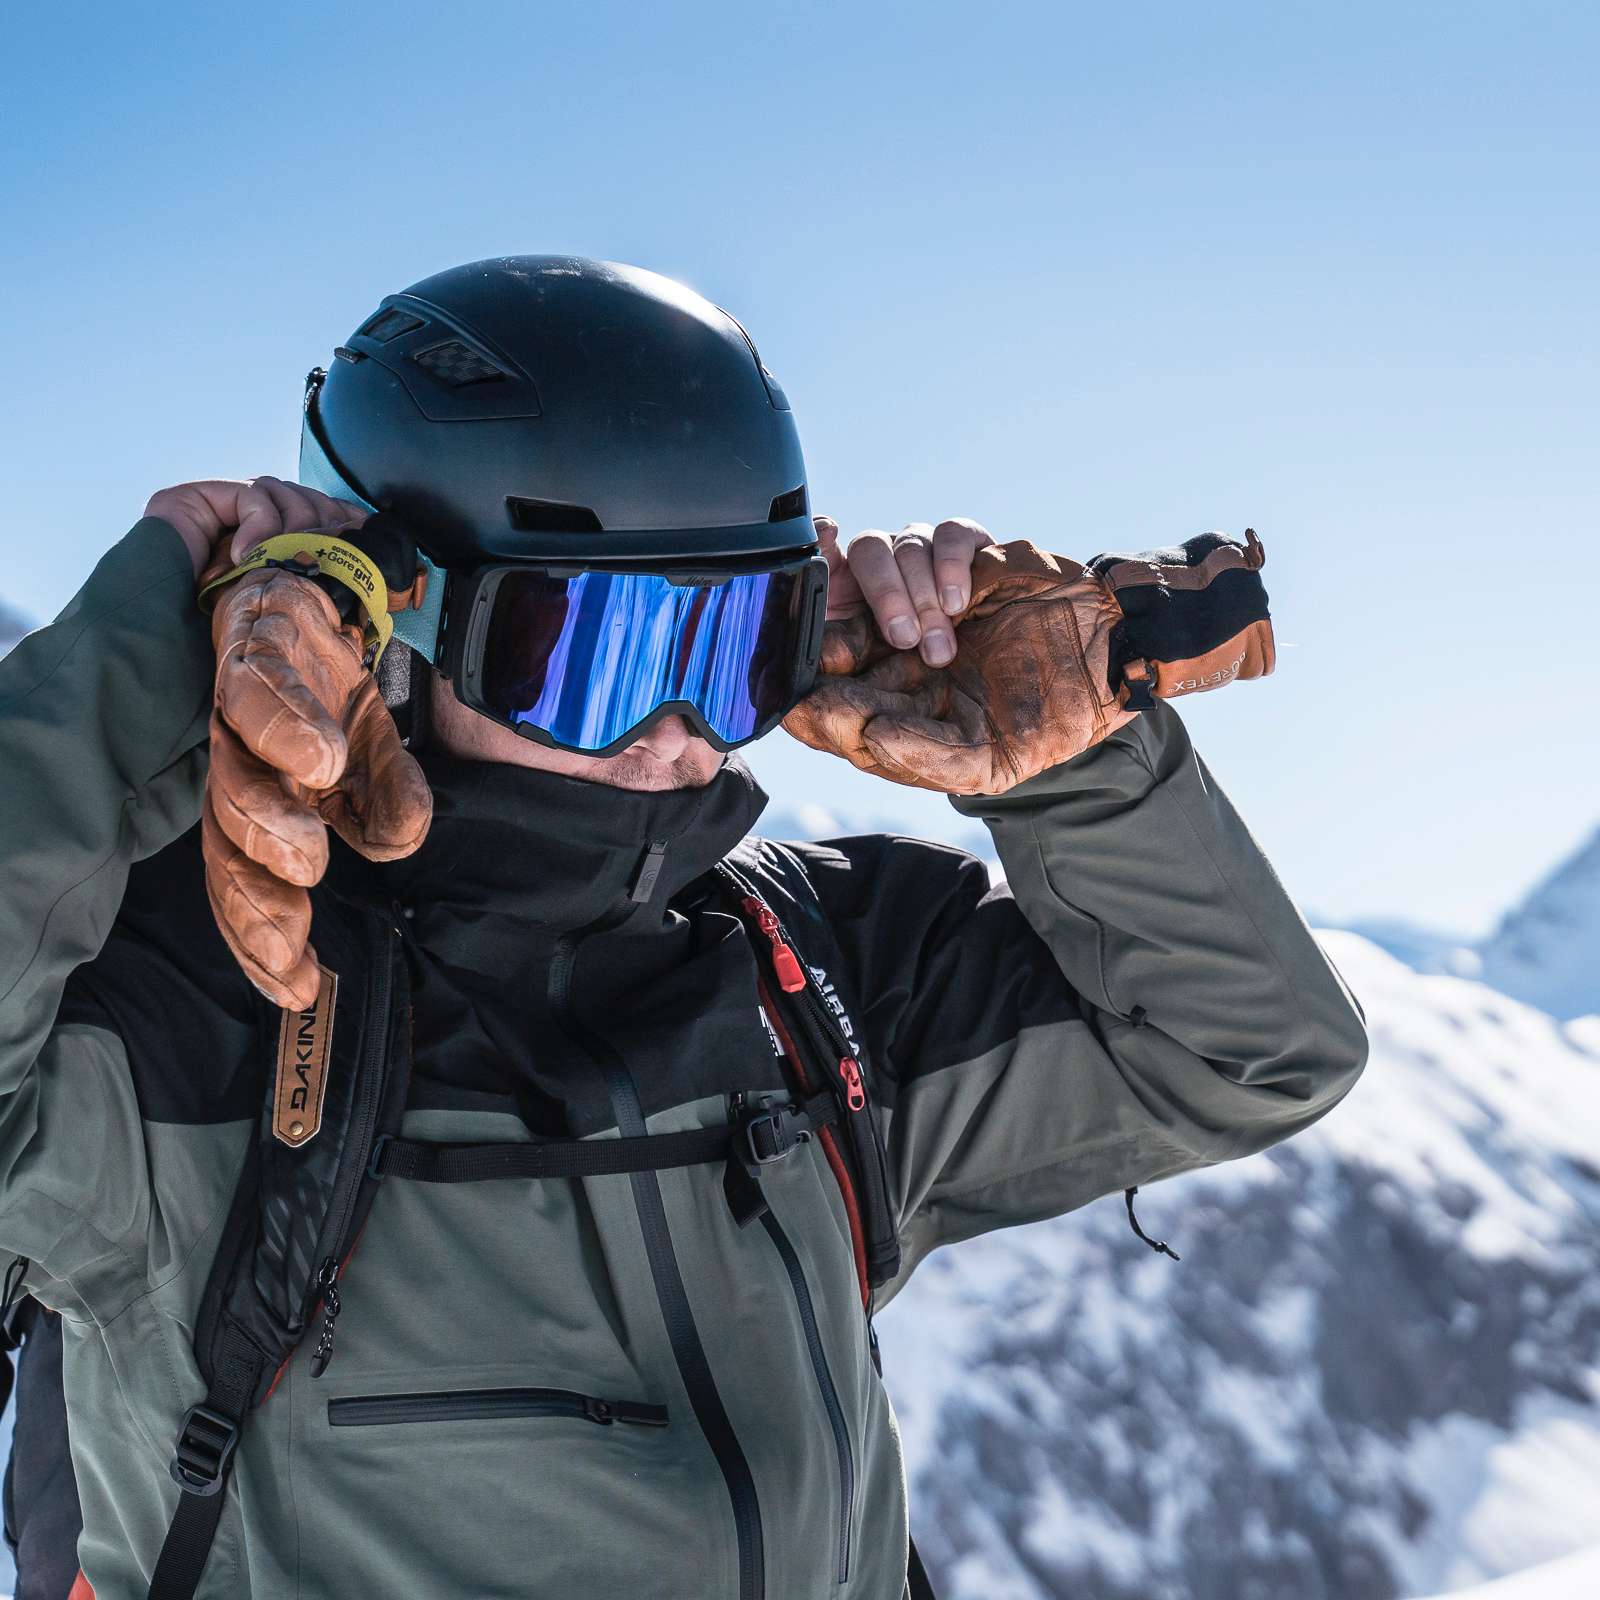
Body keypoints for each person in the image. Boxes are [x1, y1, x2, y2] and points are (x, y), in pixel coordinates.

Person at [0, 256, 1365, 1600]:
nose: (675, 739)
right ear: (391, 639)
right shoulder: (172, 1007)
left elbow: (1249, 1052)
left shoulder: (816, 973)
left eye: (735, 651)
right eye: (587, 658)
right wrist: (146, 651)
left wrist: (1063, 750)